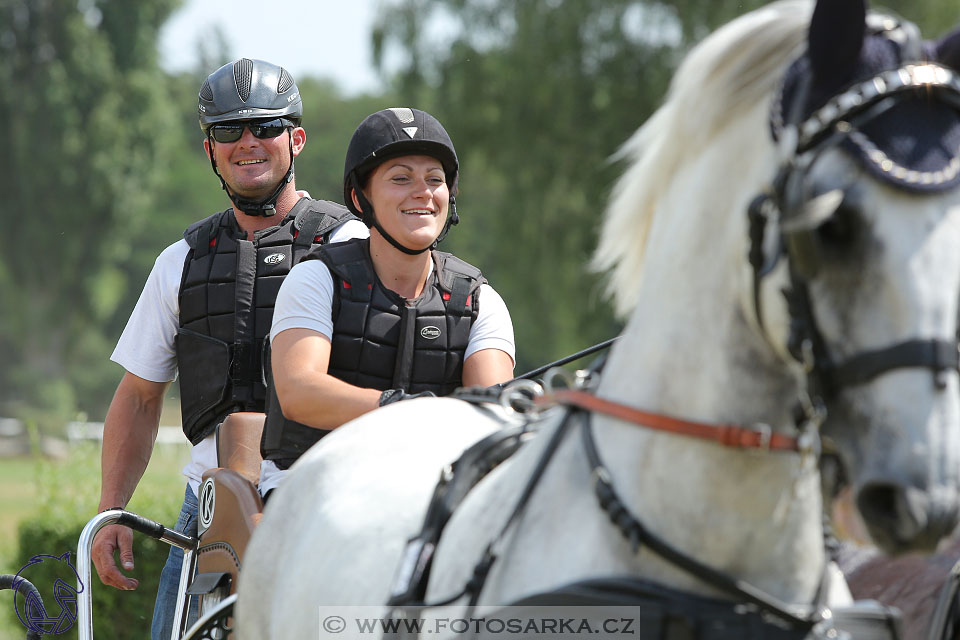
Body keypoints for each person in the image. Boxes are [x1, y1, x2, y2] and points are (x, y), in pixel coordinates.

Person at [91, 58, 368, 639]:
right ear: (209, 149)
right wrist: (111, 509)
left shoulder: (355, 246)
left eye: (265, 127)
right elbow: (140, 397)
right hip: (209, 508)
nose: (248, 142)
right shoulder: (180, 260)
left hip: (322, 497)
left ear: (296, 138)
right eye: (227, 130)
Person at [258, 107, 515, 494]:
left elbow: (492, 416)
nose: (423, 192)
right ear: (361, 199)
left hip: (427, 491)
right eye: (401, 178)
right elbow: (299, 392)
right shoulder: (314, 279)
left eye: (435, 179)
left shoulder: (481, 301)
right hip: (310, 483)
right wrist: (399, 408)